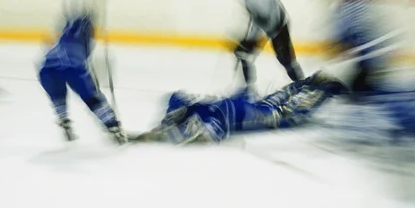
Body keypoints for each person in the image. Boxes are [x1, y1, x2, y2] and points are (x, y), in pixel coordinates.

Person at [128, 71, 347, 145]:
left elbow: (208, 134)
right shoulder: (194, 107)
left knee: (289, 113)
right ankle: (313, 82)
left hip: (253, 111)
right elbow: (177, 104)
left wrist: (155, 134)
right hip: (245, 106)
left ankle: (324, 87)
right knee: (276, 99)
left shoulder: (202, 114)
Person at [38, 0, 127, 144]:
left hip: (46, 69)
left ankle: (64, 120)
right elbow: (82, 57)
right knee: (93, 98)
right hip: (72, 67)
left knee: (58, 97)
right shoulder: (85, 31)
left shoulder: (64, 31)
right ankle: (113, 127)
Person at [216, 0, 304, 91]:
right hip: (261, 22)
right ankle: (248, 91)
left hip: (278, 22)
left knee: (285, 60)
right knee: (242, 54)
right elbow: (254, 15)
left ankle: (303, 85)